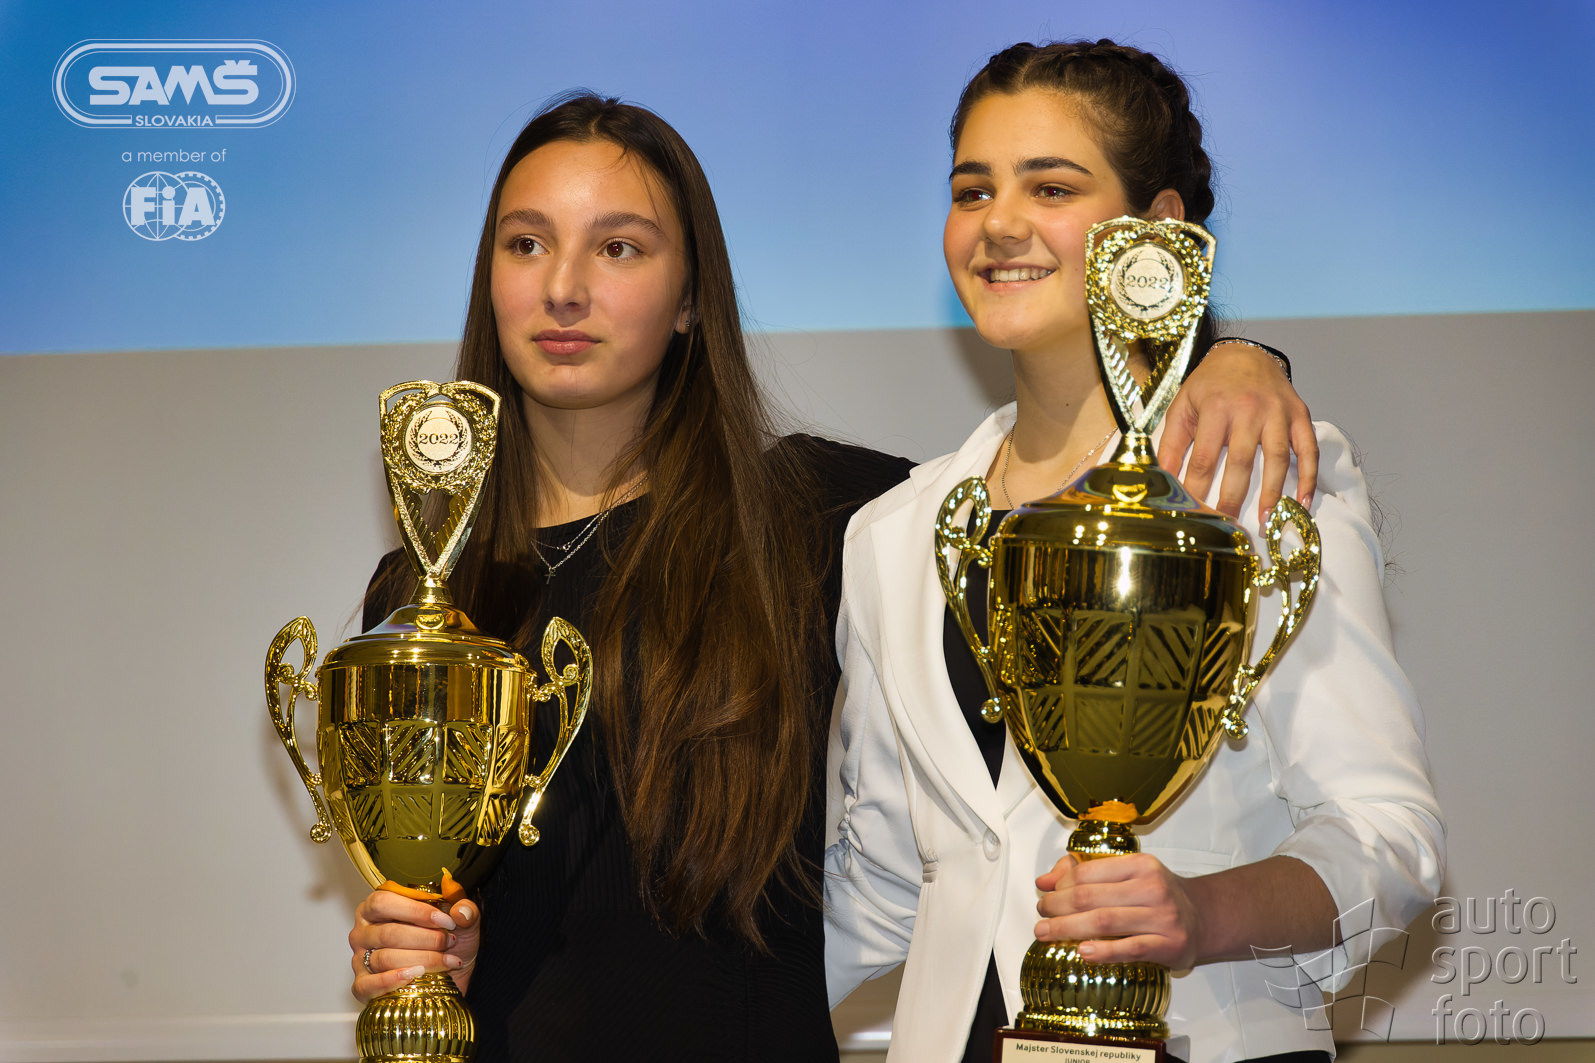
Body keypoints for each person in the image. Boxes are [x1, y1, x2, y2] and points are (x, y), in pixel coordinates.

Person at [343, 92, 1319, 1060]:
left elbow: (1063, 490)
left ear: (690, 299)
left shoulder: (816, 517)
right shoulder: (417, 601)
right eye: (525, 243)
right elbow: (455, 902)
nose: (562, 287)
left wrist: (1228, 358)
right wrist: (427, 951)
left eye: (619, 247)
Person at [823, 40, 1444, 1063]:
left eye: (1050, 187)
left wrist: (1198, 913)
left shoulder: (1251, 473)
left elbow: (1387, 837)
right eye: (971, 190)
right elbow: (881, 883)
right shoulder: (892, 531)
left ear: (1156, 228)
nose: (998, 223)